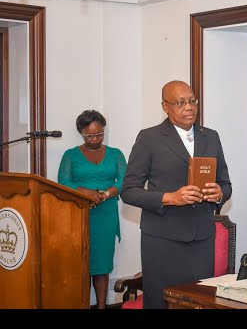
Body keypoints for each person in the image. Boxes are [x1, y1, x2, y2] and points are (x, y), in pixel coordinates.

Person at [120, 80, 232, 309]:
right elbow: (128, 191)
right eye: (180, 103)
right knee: (162, 304)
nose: (189, 107)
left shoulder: (210, 136)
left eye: (192, 101)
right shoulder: (149, 138)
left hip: (201, 238)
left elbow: (226, 184)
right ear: (165, 106)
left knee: (197, 302)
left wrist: (219, 193)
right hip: (163, 239)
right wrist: (170, 198)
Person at [58, 110, 127, 309]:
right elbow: (63, 182)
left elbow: (125, 180)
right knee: (81, 264)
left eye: (99, 134)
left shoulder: (115, 154)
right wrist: (85, 193)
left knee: (102, 264)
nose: (95, 139)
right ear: (81, 132)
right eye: (90, 135)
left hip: (105, 214)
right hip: (79, 213)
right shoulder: (70, 155)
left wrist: (105, 194)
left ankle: (102, 306)